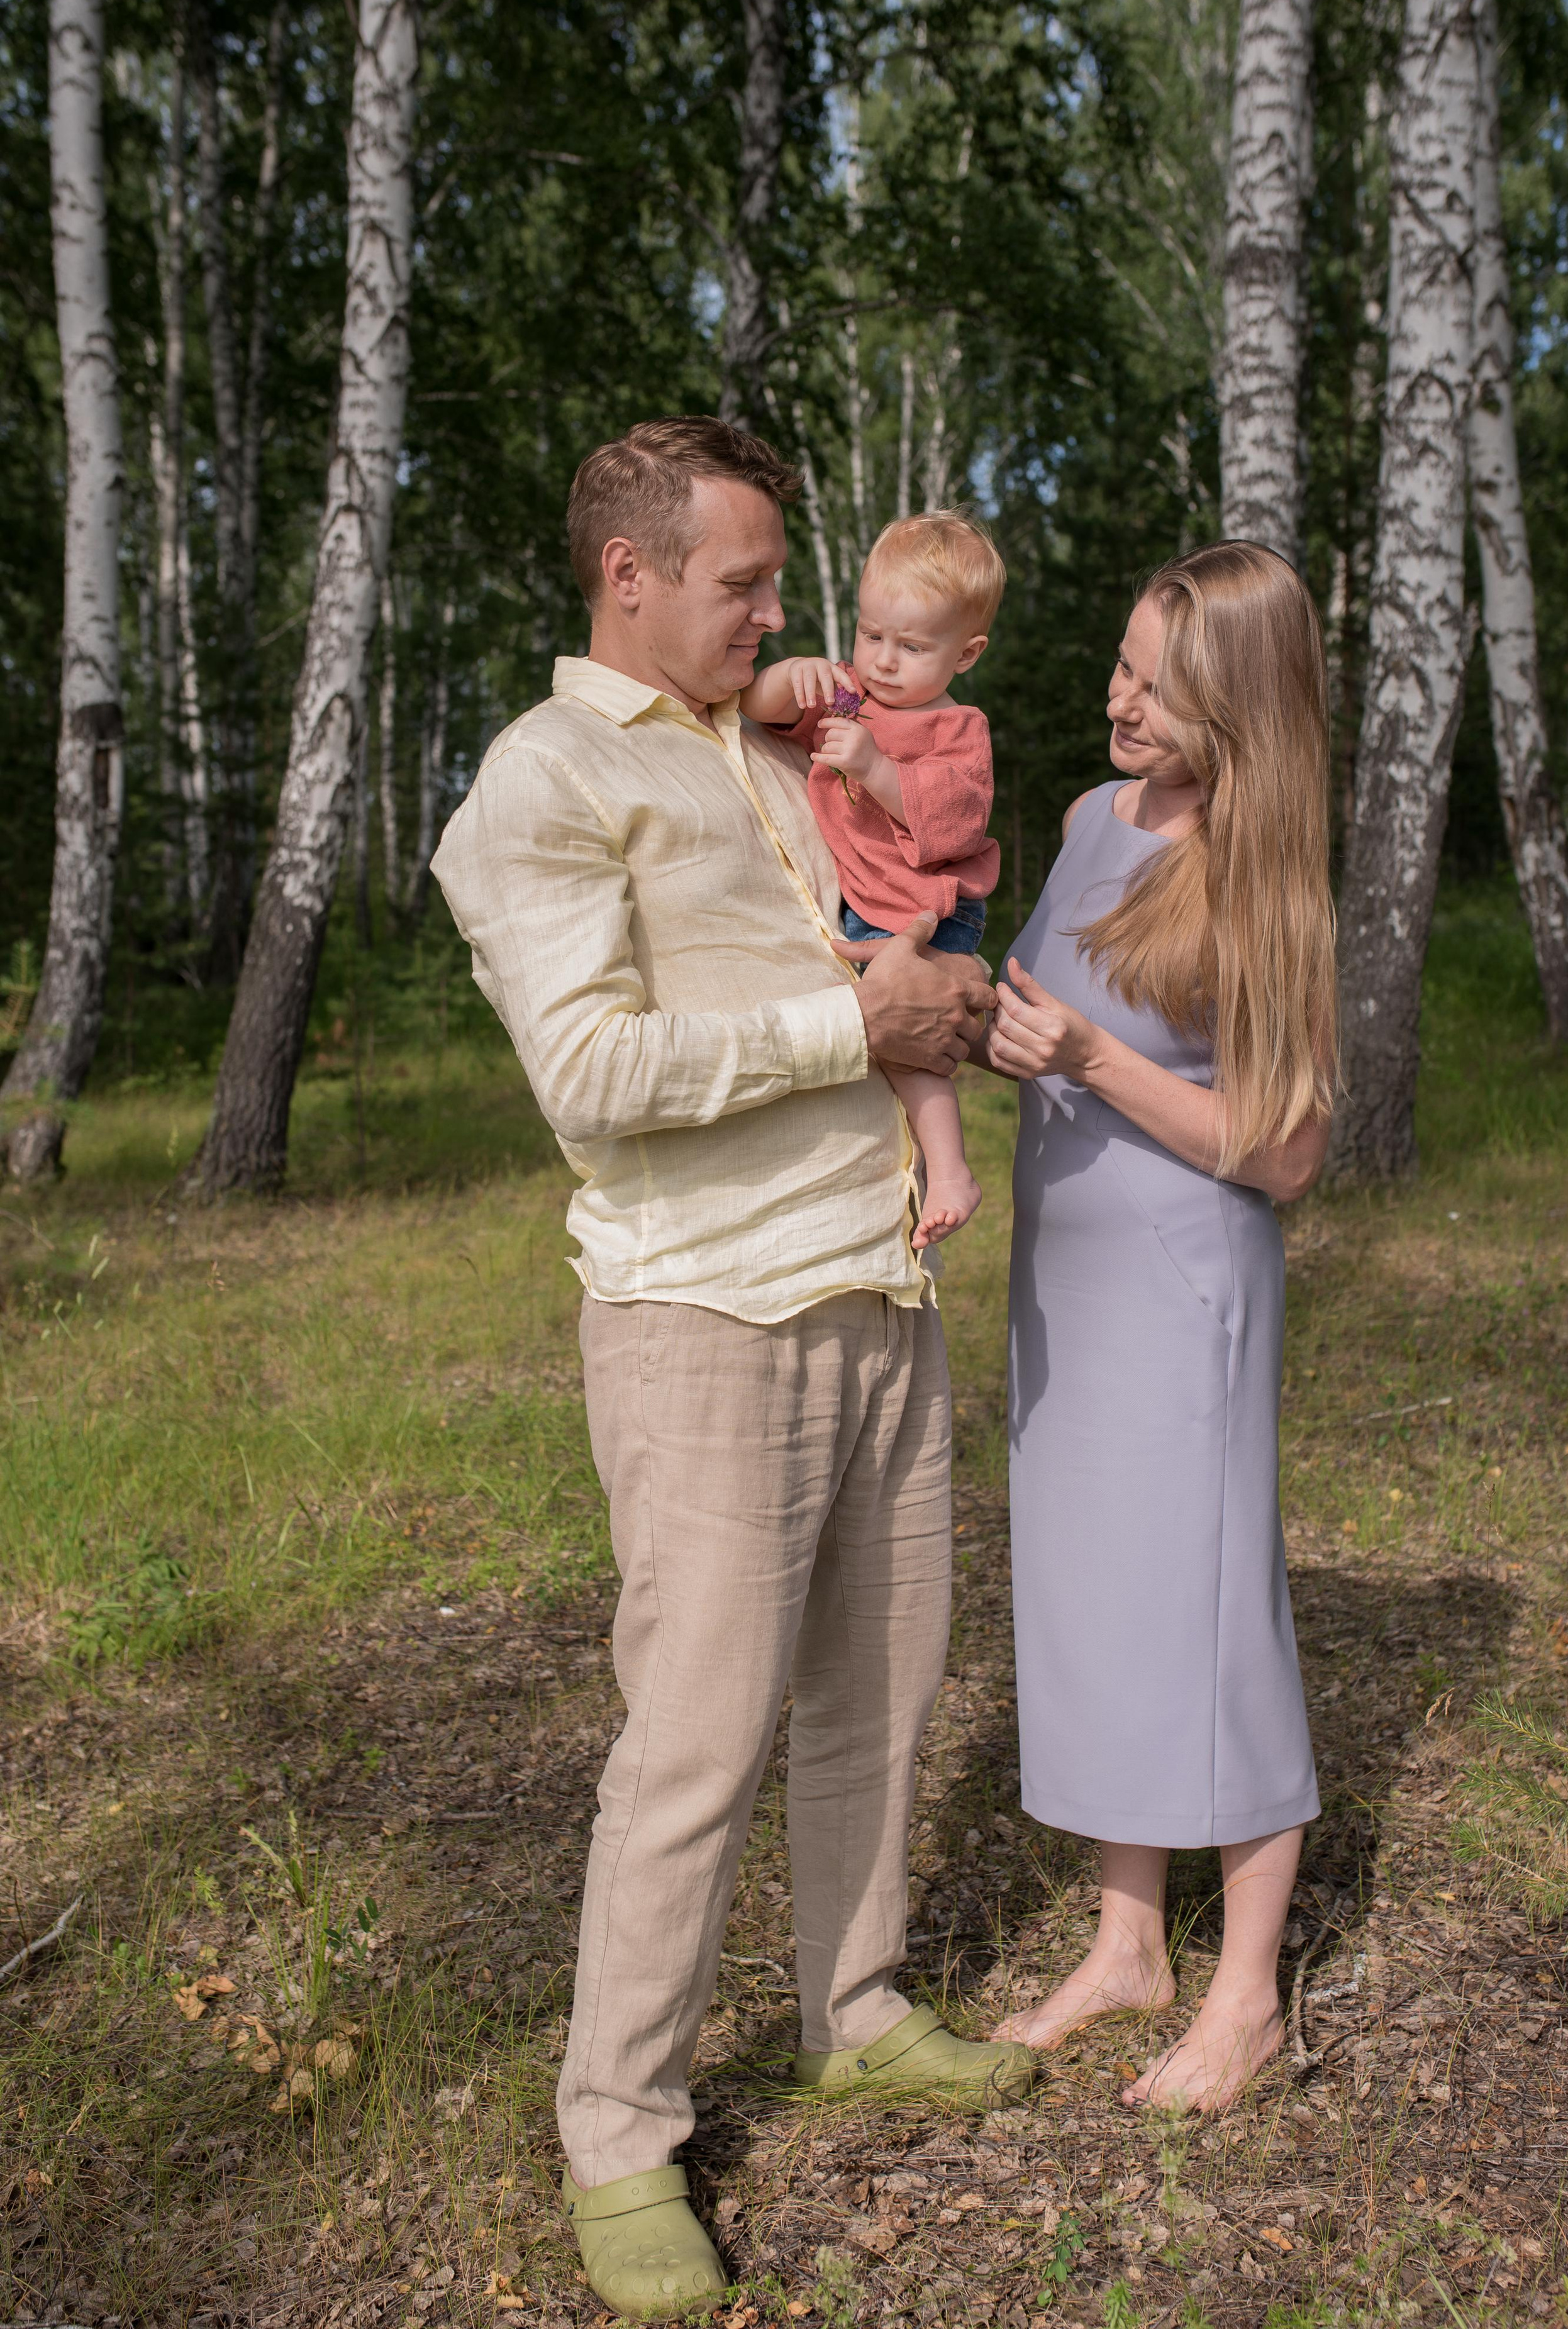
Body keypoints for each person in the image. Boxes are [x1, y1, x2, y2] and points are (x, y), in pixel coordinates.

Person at [431, 416, 1034, 2323]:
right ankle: (620, 2131)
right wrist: (850, 1020)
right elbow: (593, 1080)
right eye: (747, 582)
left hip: (874, 1287)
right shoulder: (533, 786)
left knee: (879, 1691)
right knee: (693, 1740)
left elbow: (906, 854)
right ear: (630, 573)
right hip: (701, 1314)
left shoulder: (758, 751)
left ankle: (852, 2007)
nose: (787, 615)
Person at [981, 542, 1335, 2113]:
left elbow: (1287, 1148)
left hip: (1186, 1284)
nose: (1116, 698)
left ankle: (1246, 1993)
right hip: (1065, 1274)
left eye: (1156, 685)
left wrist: (1084, 1057)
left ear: (1238, 706)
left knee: (1204, 1616)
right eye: (1120, 664)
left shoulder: (1261, 866)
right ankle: (1130, 1939)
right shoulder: (1080, 821)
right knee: (1091, 1599)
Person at [745, 509, 1004, 1247]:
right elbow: (759, 716)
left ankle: (949, 1168)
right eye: (872, 635)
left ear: (966, 653)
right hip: (870, 906)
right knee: (880, 1040)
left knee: (905, 1043)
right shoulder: (854, 694)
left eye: (913, 646)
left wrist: (878, 770)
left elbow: (955, 823)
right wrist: (783, 680)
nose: (884, 661)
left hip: (925, 910)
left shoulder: (957, 729)